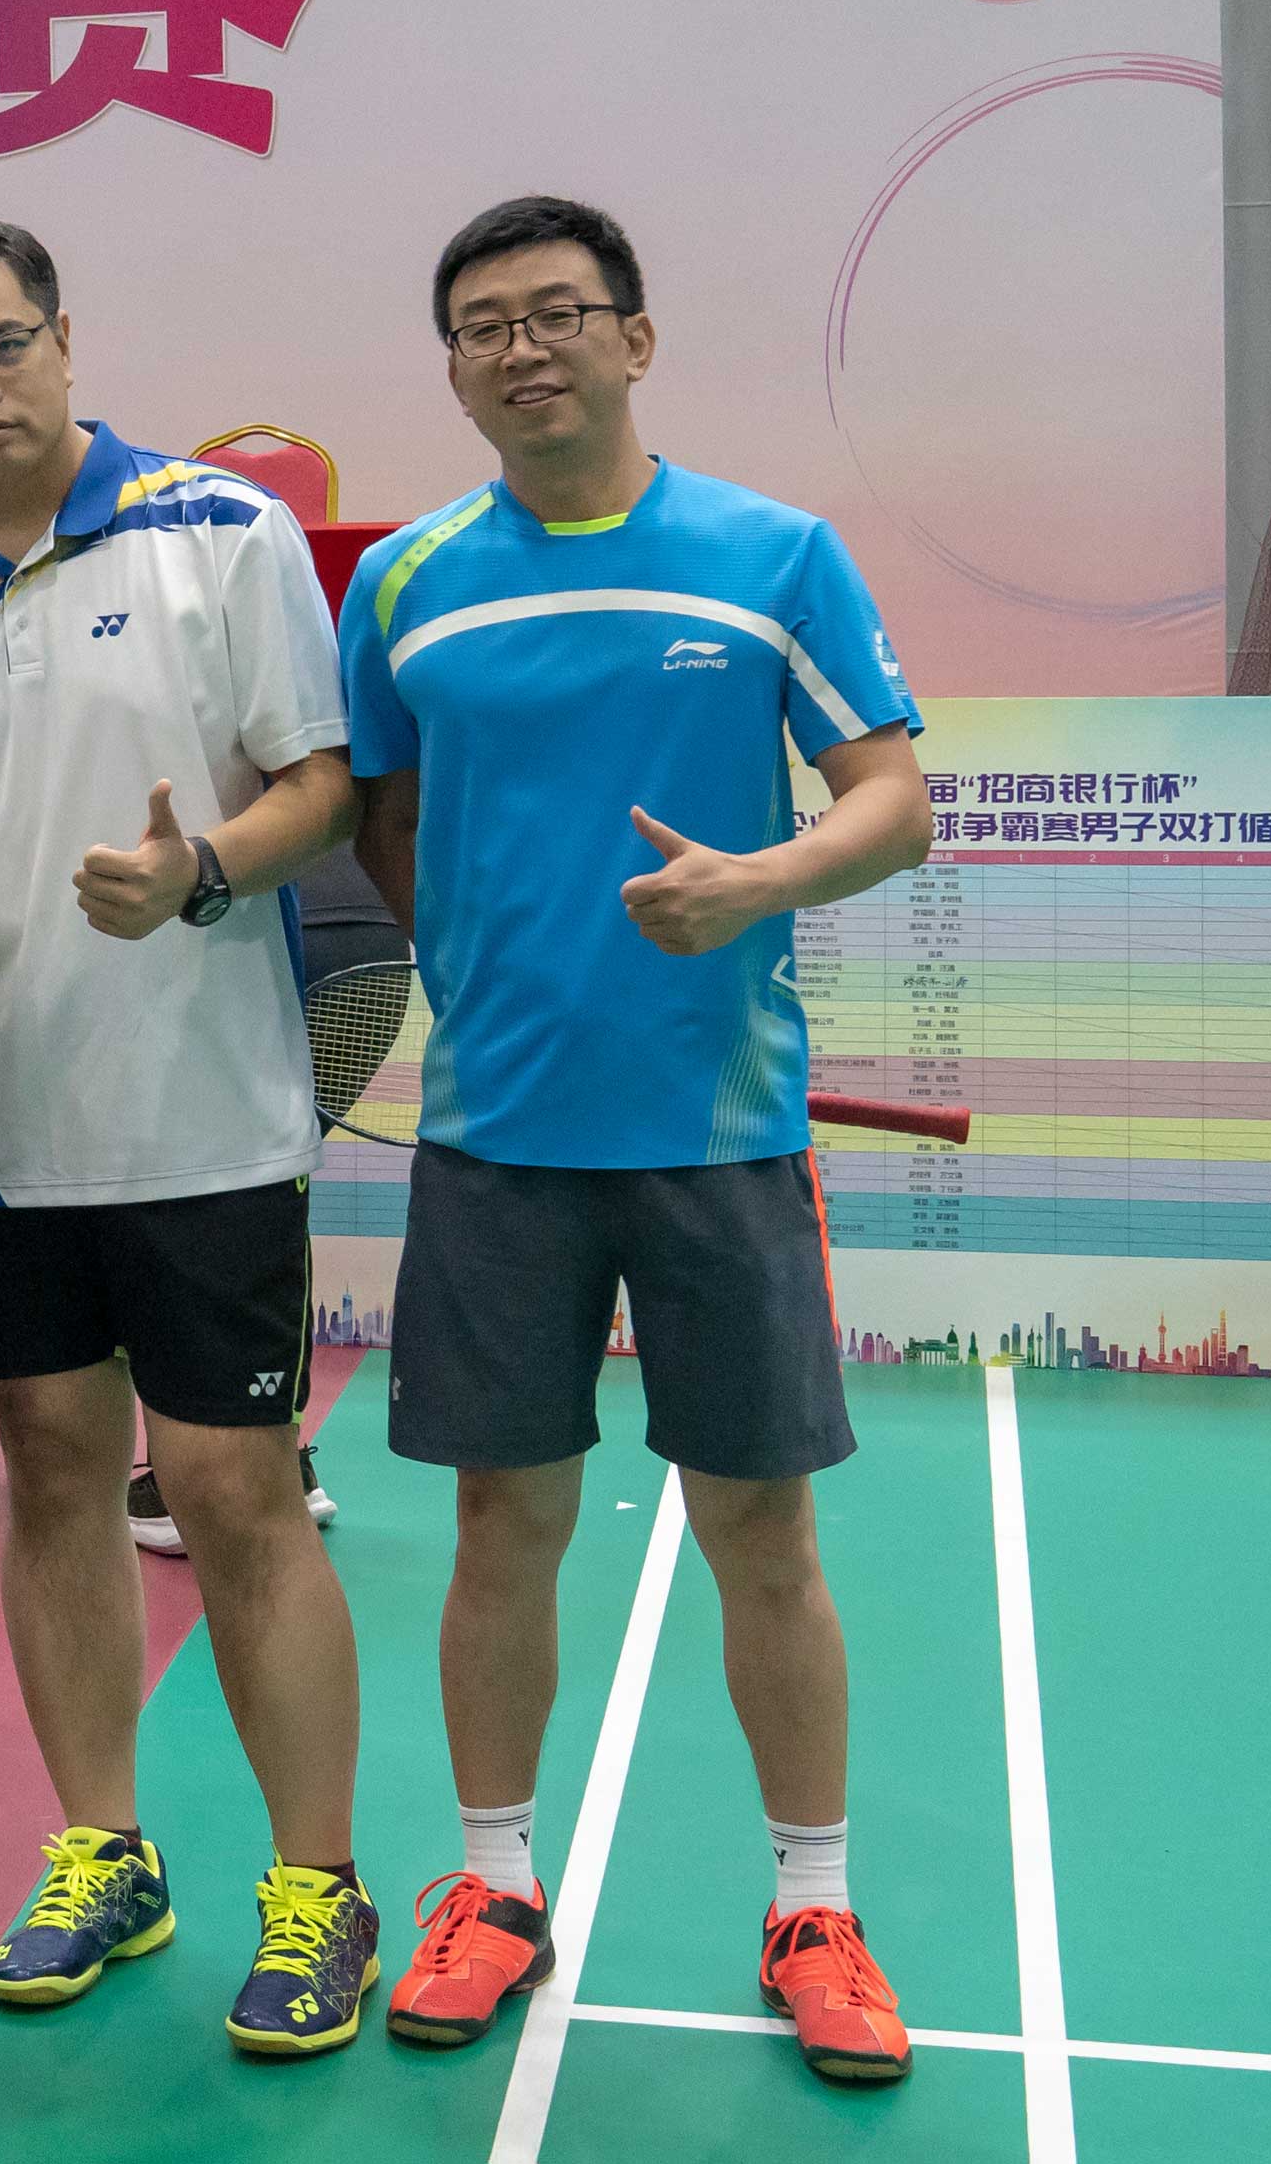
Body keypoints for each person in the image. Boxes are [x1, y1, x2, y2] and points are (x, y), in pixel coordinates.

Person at [342, 196, 931, 2085]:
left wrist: (765, 874)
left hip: (717, 1129)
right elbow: (383, 815)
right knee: (499, 1520)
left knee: (760, 1525)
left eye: (557, 313)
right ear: (453, 368)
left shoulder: (772, 555)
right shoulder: (407, 579)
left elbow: (894, 796)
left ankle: (814, 1904)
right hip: (496, 1135)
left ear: (634, 337)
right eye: (483, 325)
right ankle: (493, 1883)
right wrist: (485, 964)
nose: (521, 348)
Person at [0, 215, 376, 2058]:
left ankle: (317, 1883)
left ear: (64, 336)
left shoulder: (223, 531)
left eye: (3, 344)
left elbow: (322, 785)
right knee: (54, 1476)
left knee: (230, 1490)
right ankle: (103, 1848)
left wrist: (199, 866)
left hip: (199, 1115)